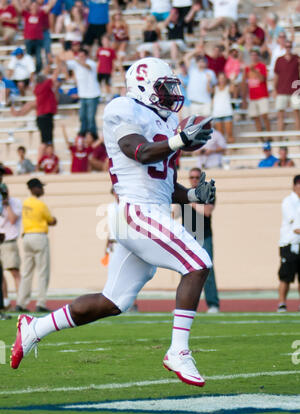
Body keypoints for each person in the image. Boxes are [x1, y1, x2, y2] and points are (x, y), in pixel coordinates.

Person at [10, 57, 216, 391]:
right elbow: (139, 152)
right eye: (165, 87)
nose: (171, 94)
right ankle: (178, 351)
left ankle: (34, 328)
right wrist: (180, 141)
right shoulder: (122, 107)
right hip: (136, 212)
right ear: (145, 87)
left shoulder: (165, 120)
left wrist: (193, 194)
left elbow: (162, 183)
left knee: (113, 301)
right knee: (198, 263)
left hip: (151, 210)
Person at [175, 167, 220, 313]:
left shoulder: (208, 191)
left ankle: (213, 304)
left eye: (196, 177)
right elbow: (174, 214)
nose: (194, 180)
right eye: (191, 177)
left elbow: (207, 211)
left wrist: (190, 201)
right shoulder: (185, 194)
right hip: (187, 237)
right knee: (184, 271)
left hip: (204, 236)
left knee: (207, 270)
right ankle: (182, 306)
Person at [15, 178, 57, 314]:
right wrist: (54, 220)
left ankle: (20, 303)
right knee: (42, 272)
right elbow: (51, 220)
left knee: (27, 272)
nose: (43, 190)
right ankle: (41, 302)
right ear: (35, 188)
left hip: (26, 237)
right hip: (39, 236)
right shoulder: (40, 204)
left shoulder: (25, 203)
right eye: (41, 187)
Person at [277, 175, 300, 312]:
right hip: (289, 244)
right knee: (286, 276)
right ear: (295, 186)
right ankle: (282, 303)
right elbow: (295, 227)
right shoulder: (288, 202)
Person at [66, 47, 101, 136]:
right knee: (82, 116)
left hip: (93, 95)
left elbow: (87, 66)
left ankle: (92, 134)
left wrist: (74, 58)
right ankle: (83, 133)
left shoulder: (91, 63)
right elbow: (64, 64)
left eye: (82, 56)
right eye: (79, 56)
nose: (80, 58)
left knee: (90, 117)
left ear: (86, 56)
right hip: (83, 95)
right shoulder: (76, 63)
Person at [0, 183, 22, 310]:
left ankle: (20, 302)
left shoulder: (15, 202)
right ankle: (5, 302)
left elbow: (13, 219)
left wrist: (6, 204)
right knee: (0, 276)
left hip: (9, 242)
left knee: (14, 273)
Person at [274, 39, 300, 132]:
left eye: (290, 46)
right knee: (280, 113)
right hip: (282, 90)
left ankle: (298, 137)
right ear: (284, 47)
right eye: (287, 46)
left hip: (295, 90)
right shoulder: (279, 60)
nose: (288, 48)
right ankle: (280, 137)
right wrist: (274, 89)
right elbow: (276, 75)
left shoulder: (296, 59)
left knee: (297, 113)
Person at [242, 48, 270, 133]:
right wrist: (244, 98)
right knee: (255, 117)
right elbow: (244, 83)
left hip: (262, 95)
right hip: (252, 96)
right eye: (252, 55)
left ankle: (269, 135)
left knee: (264, 115)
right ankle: (260, 136)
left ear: (258, 56)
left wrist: (254, 70)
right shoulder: (247, 68)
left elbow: (262, 79)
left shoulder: (262, 66)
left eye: (255, 55)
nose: (253, 57)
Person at [184, 53, 217, 117]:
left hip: (206, 103)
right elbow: (186, 58)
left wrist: (209, 81)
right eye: (199, 62)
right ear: (196, 63)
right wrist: (196, 51)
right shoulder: (192, 70)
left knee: (206, 125)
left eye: (203, 62)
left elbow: (212, 90)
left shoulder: (210, 73)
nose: (201, 63)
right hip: (194, 104)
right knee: (194, 125)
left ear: (206, 63)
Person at [212, 72, 234, 143]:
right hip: (217, 113)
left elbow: (232, 90)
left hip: (227, 112)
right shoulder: (215, 88)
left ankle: (231, 152)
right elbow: (208, 90)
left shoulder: (228, 87)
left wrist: (232, 80)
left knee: (230, 133)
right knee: (220, 136)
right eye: (220, 78)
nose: (221, 80)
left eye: (223, 78)